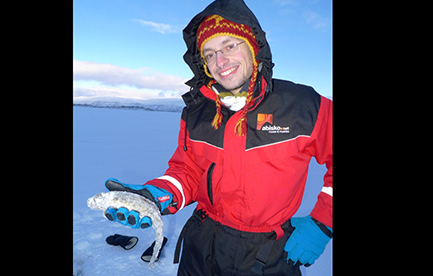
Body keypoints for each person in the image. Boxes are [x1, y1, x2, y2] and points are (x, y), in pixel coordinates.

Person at [101, 0, 332, 275]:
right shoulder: (197, 113)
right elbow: (187, 171)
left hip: (266, 255)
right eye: (209, 54)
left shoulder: (302, 106)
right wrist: (158, 194)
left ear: (253, 45)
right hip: (200, 247)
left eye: (229, 46)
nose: (220, 62)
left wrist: (323, 222)